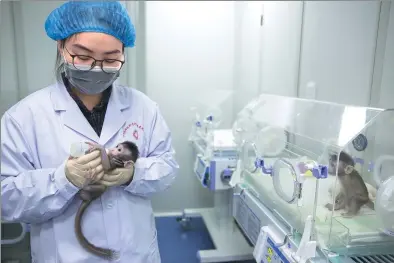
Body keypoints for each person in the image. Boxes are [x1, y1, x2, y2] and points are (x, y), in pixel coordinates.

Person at [1, 1, 179, 262]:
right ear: (61, 47)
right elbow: (6, 199)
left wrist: (133, 174)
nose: (96, 68)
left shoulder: (143, 107)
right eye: (83, 57)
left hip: (135, 253)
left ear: (123, 55)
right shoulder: (23, 117)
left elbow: (168, 168)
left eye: (110, 60)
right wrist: (63, 179)